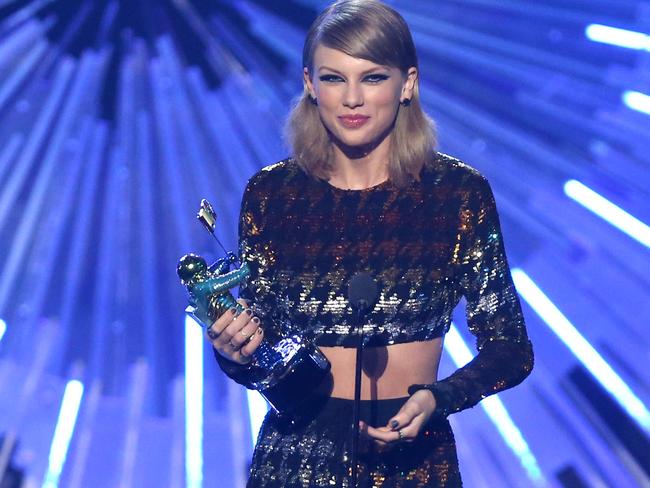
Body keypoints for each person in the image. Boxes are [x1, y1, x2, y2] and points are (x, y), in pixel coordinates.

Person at [205, 1, 534, 486]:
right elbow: (263, 352)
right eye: (334, 78)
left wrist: (439, 398)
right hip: (296, 458)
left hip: (414, 458)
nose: (352, 98)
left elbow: (510, 348)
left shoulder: (454, 195)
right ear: (310, 85)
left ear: (408, 84)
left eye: (373, 77)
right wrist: (233, 352)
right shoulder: (273, 196)